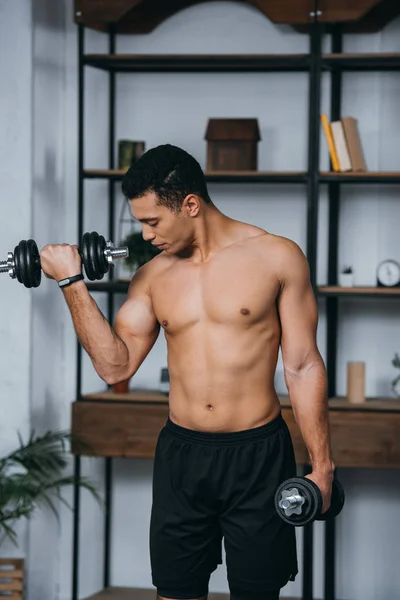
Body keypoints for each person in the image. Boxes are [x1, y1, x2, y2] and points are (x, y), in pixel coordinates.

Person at [40, 144, 335, 600]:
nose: (145, 233)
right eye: (140, 221)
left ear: (191, 204)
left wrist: (323, 465)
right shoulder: (152, 277)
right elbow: (112, 365)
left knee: (257, 592)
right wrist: (72, 283)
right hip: (182, 455)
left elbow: (301, 365)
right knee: (175, 592)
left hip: (257, 455)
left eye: (153, 221)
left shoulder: (277, 257)